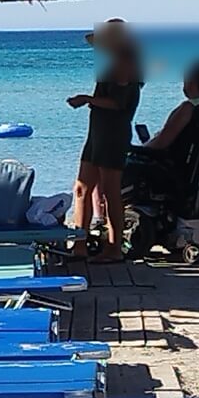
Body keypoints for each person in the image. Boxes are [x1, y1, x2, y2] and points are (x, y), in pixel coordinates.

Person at [68, 19, 144, 263]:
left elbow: (119, 104)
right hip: (98, 133)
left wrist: (87, 99)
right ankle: (80, 244)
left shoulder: (125, 67)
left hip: (112, 134)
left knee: (110, 191)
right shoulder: (117, 65)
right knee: (81, 188)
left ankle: (113, 247)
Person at [143, 59, 199, 152]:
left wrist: (139, 149)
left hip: (176, 164)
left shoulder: (189, 108)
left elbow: (160, 143)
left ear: (193, 82)